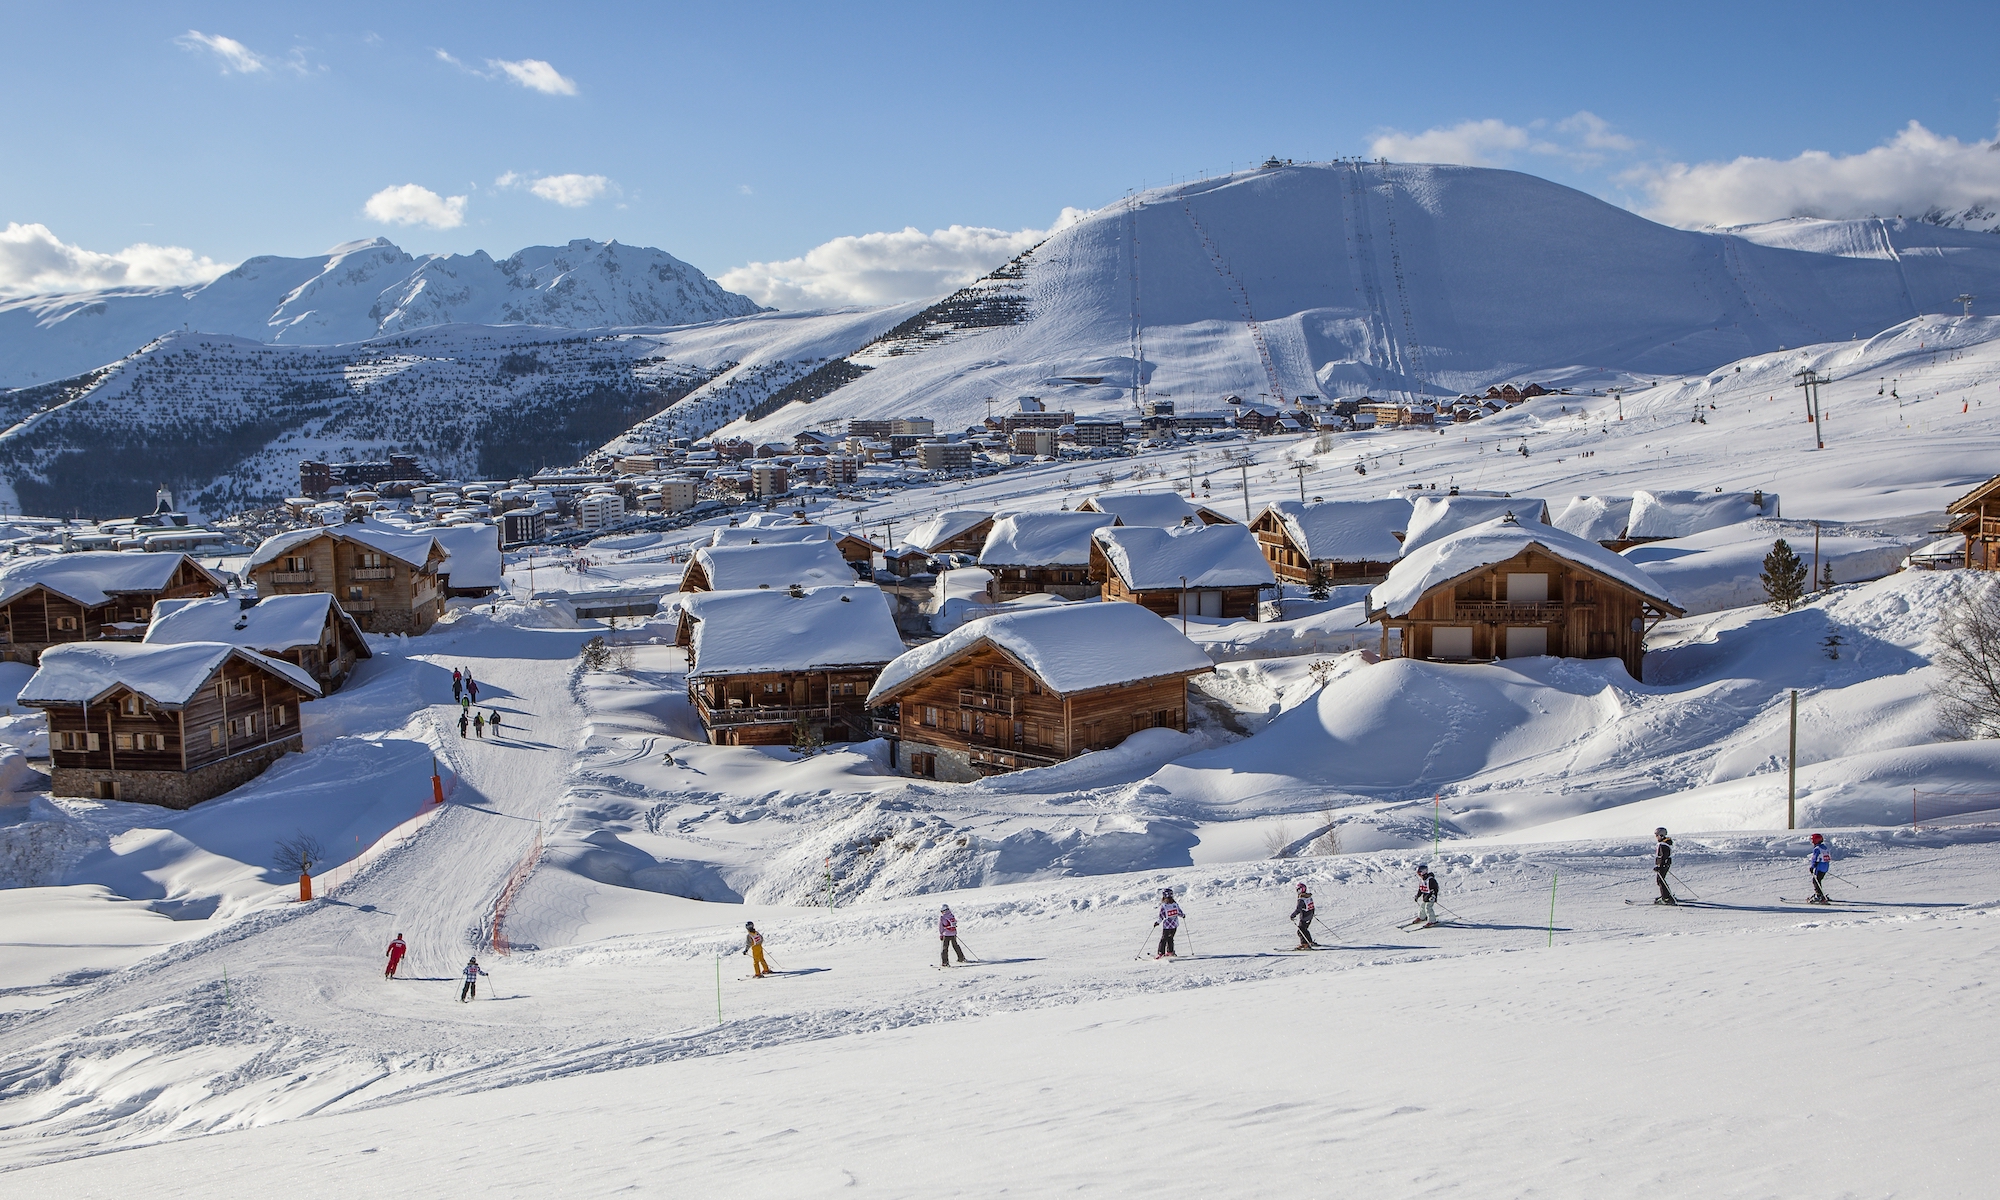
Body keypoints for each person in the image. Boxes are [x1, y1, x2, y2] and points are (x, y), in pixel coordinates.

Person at [1154, 889, 1184, 959]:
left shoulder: (1164, 906)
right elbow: (1180, 913)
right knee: (1170, 938)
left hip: (1167, 926)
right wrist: (1183, 916)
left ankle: (1161, 953)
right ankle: (1170, 951)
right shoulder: (1175, 904)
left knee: (1164, 939)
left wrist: (1157, 922)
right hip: (1174, 925)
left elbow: (1161, 916)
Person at [1653, 827, 1676, 905]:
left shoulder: (1663, 845)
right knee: (1661, 880)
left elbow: (1663, 856)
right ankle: (1667, 896)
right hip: (1664, 864)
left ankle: (1666, 898)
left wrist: (1660, 866)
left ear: (1661, 835)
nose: (1656, 837)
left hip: (1663, 864)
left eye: (1657, 835)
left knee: (1660, 881)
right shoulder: (1664, 844)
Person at [1290, 882, 1317, 948]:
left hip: (1304, 917)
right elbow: (1312, 906)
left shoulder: (1301, 899)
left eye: (1298, 890)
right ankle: (1309, 941)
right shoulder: (1309, 897)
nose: (1297, 891)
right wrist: (1312, 914)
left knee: (1300, 931)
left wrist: (1293, 915)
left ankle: (1304, 944)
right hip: (1309, 916)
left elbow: (1298, 909)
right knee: (1304, 929)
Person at [1808, 833, 1832, 904]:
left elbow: (1814, 858)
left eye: (1812, 840)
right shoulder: (1824, 847)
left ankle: (1819, 896)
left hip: (1820, 867)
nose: (1812, 842)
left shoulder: (1817, 849)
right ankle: (1821, 895)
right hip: (1825, 867)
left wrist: (1812, 867)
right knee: (1818, 880)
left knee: (1816, 881)